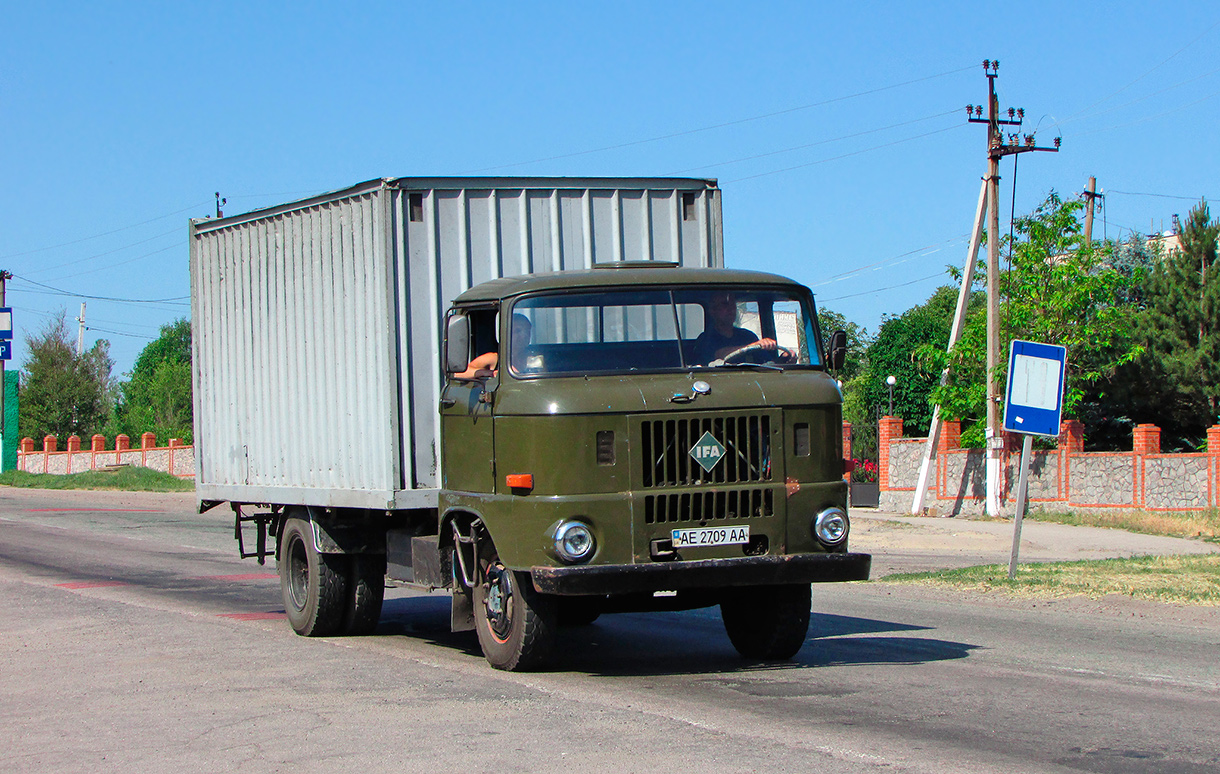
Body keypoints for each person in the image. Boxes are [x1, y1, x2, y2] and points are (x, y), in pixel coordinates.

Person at [693, 291, 779, 364]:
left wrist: (784, 360)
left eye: (733, 304)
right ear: (713, 311)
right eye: (725, 305)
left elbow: (767, 363)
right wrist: (753, 346)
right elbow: (719, 354)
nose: (731, 309)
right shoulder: (706, 339)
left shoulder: (748, 336)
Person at [453, 313, 533, 379]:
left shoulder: (535, 357)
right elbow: (458, 373)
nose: (524, 335)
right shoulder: (495, 358)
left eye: (527, 330)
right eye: (518, 331)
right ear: (507, 333)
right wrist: (487, 373)